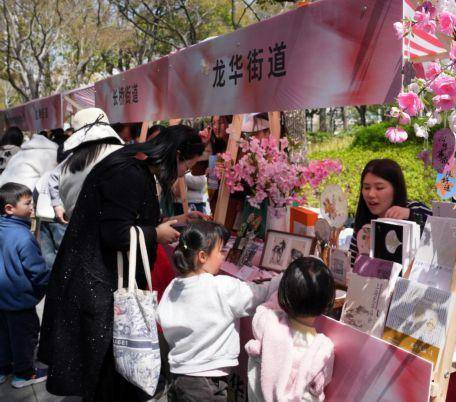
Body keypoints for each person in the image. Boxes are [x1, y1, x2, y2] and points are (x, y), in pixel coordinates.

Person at [38, 124, 206, 401]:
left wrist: (177, 221)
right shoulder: (129, 173)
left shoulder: (133, 165)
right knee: (105, 375)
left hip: (98, 279)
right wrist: (156, 234)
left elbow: (129, 218)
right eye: (187, 165)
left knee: (109, 376)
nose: (184, 173)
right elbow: (116, 233)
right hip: (97, 283)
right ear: (176, 155)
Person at [156, 221, 281, 402]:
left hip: (178, 374)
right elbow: (258, 294)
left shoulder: (174, 285)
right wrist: (282, 278)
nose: (224, 256)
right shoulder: (221, 287)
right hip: (206, 381)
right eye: (221, 251)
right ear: (202, 256)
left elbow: (161, 316)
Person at [246, 257, 335, 402]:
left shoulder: (267, 322)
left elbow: (263, 309)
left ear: (283, 294)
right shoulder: (323, 349)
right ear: (328, 301)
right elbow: (320, 386)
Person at [0, 183, 50, 389]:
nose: (32, 207)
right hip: (20, 301)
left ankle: (3, 369)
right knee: (24, 338)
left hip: (3, 299)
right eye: (28, 203)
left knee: (3, 336)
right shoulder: (23, 236)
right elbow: (37, 271)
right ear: (9, 208)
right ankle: (24, 374)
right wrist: (49, 284)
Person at [349, 159, 432, 265]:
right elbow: (352, 263)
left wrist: (409, 214)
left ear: (396, 189)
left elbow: (439, 227)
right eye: (366, 187)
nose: (371, 194)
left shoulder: (413, 208)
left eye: (379, 188)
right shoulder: (363, 224)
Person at [48, 108, 124, 223]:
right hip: (114, 224)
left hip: (78, 224)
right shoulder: (122, 153)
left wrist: (57, 205)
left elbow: (53, 176)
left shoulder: (73, 158)